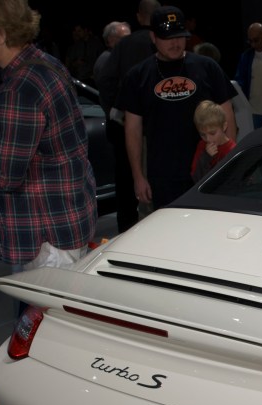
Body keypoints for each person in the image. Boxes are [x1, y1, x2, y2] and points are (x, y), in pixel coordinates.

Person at [0, 0, 97, 273]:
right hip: (63, 226)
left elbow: (5, 177)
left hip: (46, 240)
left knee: (45, 315)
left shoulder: (19, 89)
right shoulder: (45, 64)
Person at [117, 5, 236, 209]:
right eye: (168, 37)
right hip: (163, 177)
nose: (175, 42)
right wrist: (138, 177)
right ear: (153, 37)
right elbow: (133, 129)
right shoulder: (138, 76)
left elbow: (228, 118)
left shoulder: (208, 67)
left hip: (209, 171)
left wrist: (229, 166)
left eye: (180, 36)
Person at [95, 0, 160, 232]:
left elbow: (106, 81)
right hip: (159, 127)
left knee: (126, 181)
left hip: (126, 126)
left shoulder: (125, 46)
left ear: (140, 17)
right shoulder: (167, 43)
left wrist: (116, 111)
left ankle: (128, 231)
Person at [190, 99, 235, 182]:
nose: (208, 139)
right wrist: (206, 157)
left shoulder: (233, 150)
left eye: (213, 133)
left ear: (224, 126)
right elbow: (196, 178)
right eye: (203, 135)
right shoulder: (202, 146)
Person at [93, 21, 131, 86]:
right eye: (125, 38)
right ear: (111, 39)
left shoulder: (116, 57)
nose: (130, 41)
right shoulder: (107, 60)